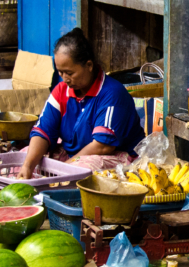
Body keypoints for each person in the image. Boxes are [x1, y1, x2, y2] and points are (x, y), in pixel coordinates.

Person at [18, 28, 146, 177]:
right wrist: (28, 166)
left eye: (70, 73)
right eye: (60, 72)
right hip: (74, 156)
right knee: (25, 156)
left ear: (89, 66)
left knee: (82, 171)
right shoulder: (61, 91)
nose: (65, 78)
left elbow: (103, 147)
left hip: (116, 158)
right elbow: (43, 131)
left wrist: (65, 168)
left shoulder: (112, 94)